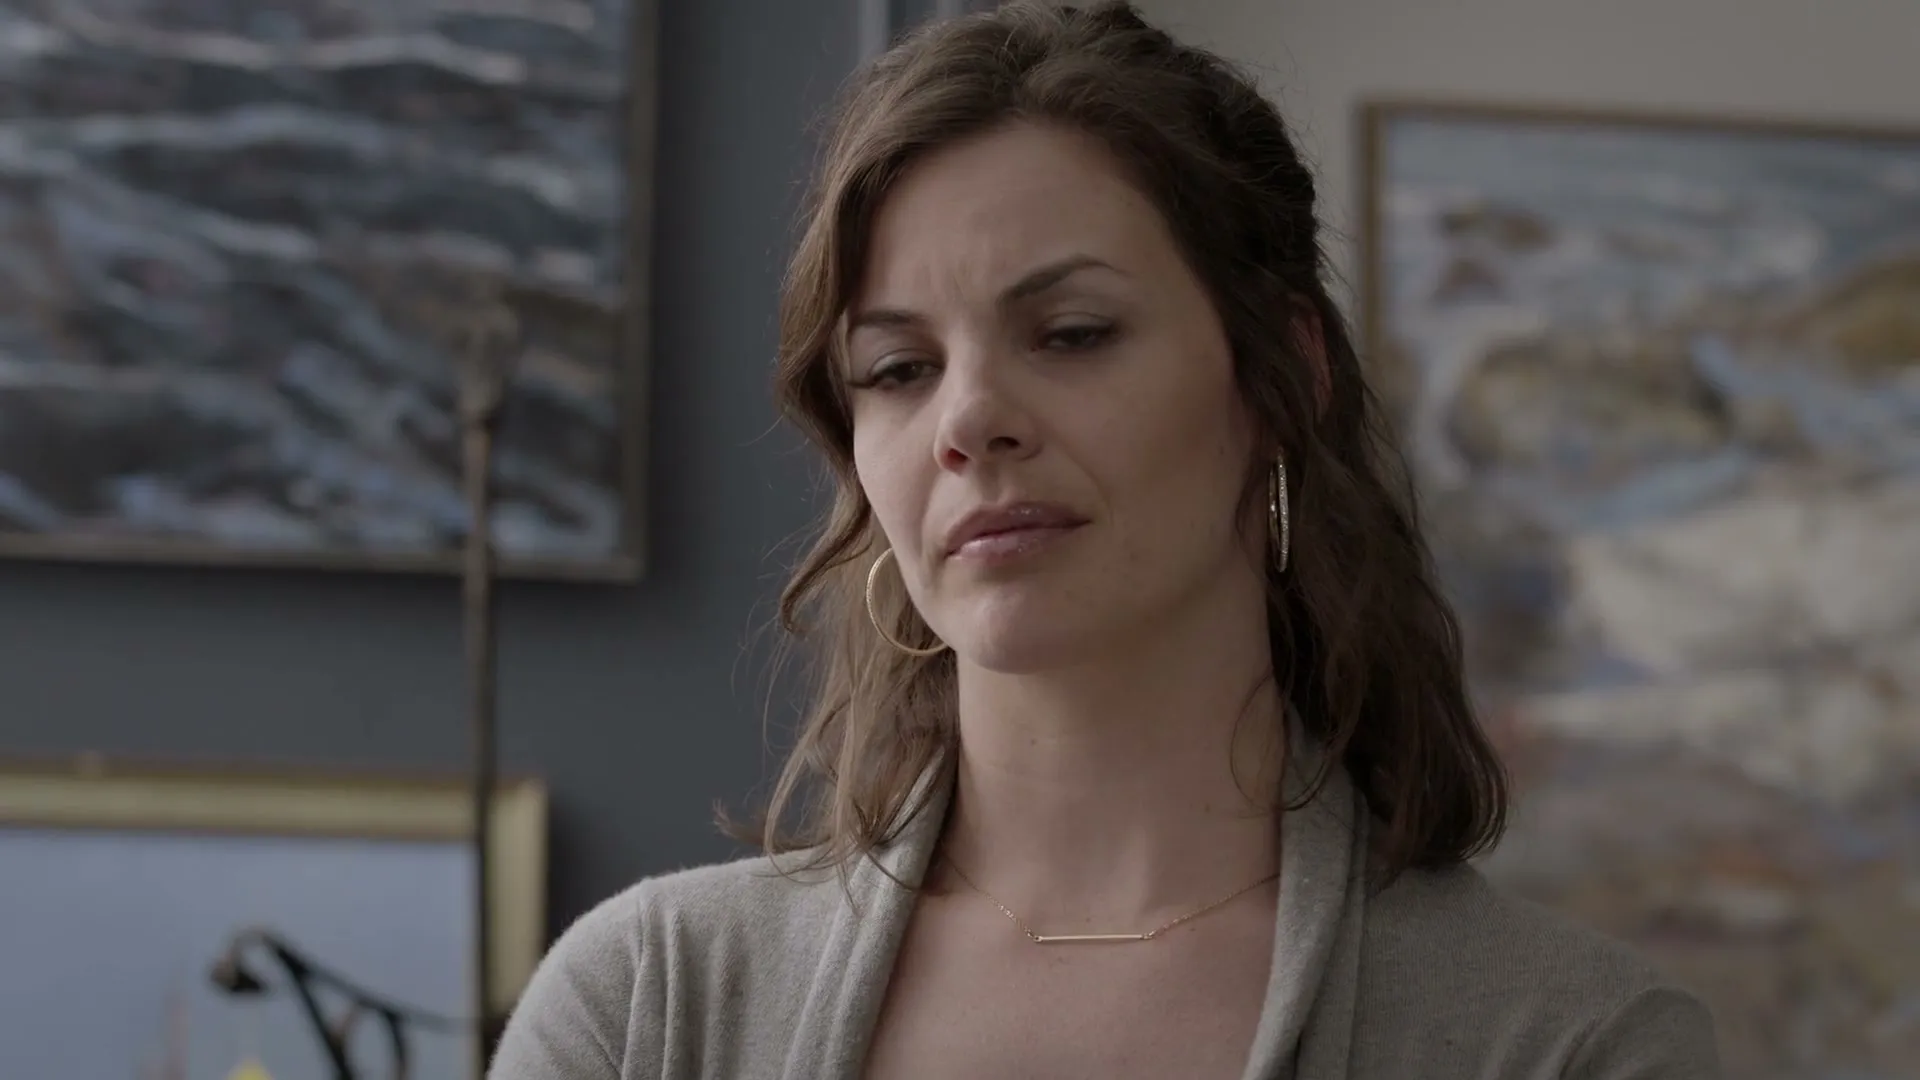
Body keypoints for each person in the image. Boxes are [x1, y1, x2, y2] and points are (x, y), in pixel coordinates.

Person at [490, 3, 1720, 1077]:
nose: (968, 422)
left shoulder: (1567, 1044)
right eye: (901, 368)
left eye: (1072, 334)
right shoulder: (646, 1009)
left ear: (1282, 374)